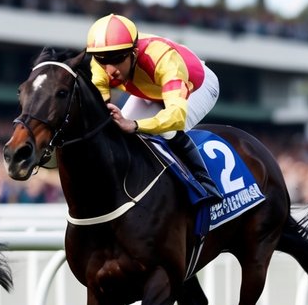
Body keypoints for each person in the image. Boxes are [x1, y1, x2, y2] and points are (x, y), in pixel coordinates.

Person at [85, 13, 221, 204]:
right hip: (151, 90)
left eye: (117, 59)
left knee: (167, 131)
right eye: (101, 60)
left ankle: (205, 184)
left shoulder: (164, 59)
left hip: (197, 85)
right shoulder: (103, 58)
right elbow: (99, 103)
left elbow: (176, 116)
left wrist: (134, 124)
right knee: (118, 133)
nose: (110, 69)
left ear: (133, 54)